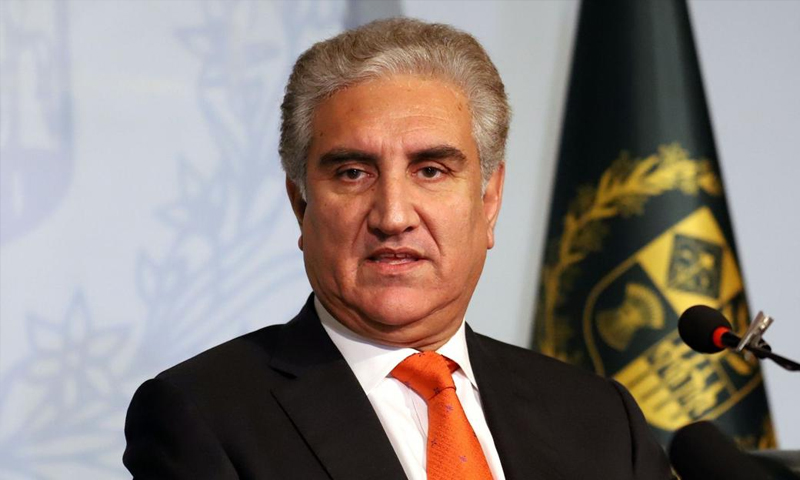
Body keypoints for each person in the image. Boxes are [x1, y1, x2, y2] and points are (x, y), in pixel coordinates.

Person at [123, 18, 673, 479]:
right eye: (353, 172)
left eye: (431, 170)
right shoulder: (204, 415)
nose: (392, 217)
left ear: (489, 200)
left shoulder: (600, 419)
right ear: (301, 204)